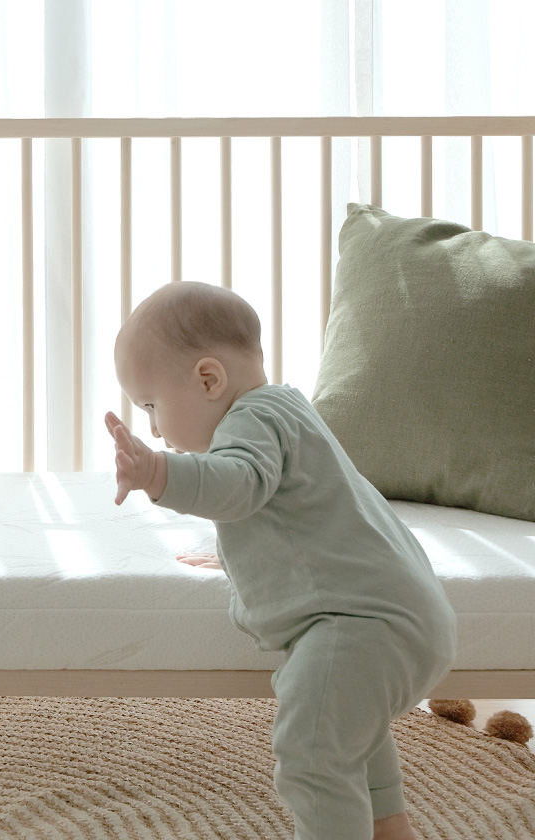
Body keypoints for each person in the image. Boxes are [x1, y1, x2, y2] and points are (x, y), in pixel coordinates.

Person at [104, 281, 456, 840]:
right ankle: (392, 830)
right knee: (346, 732)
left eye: (152, 405)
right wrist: (237, 557)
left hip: (362, 623)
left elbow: (238, 484)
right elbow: (302, 515)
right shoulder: (287, 409)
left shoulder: (250, 421)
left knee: (311, 754)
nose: (153, 428)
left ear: (208, 379)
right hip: (402, 619)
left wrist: (156, 473)